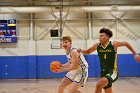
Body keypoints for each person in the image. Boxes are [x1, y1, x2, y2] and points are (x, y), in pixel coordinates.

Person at [78, 28, 140, 93]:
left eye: (101, 36)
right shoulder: (97, 45)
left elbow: (125, 43)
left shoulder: (113, 44)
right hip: (103, 72)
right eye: (99, 36)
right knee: (108, 92)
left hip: (113, 72)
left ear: (107, 37)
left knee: (99, 84)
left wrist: (135, 54)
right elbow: (87, 51)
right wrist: (81, 50)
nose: (99, 38)